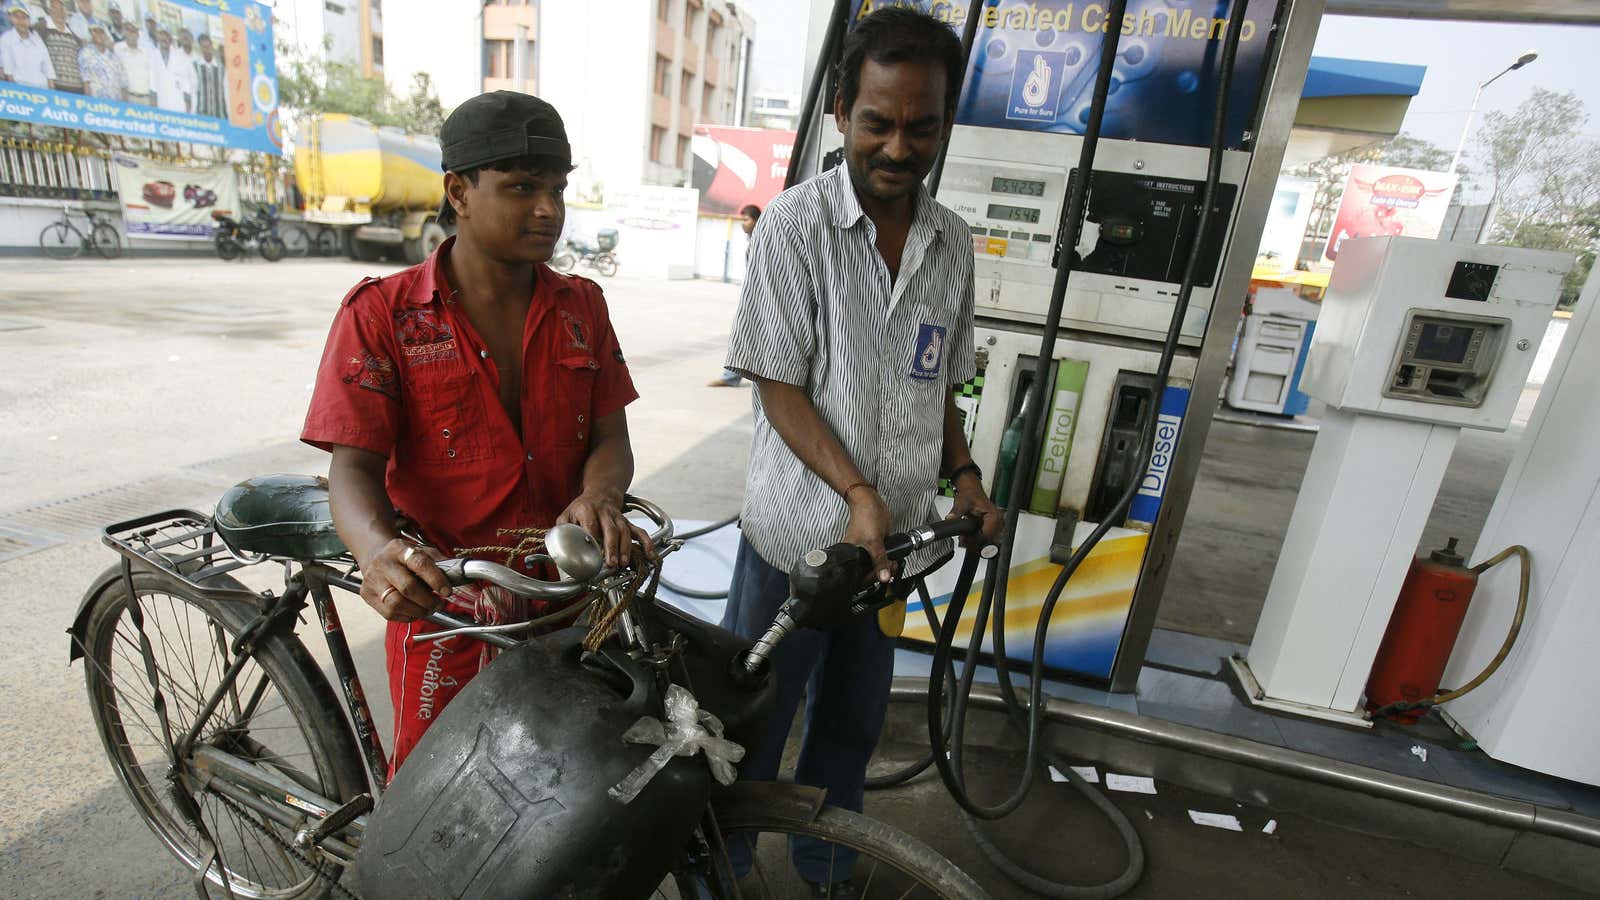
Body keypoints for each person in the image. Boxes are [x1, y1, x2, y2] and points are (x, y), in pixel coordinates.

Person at [719, 7, 1003, 895]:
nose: (897, 145)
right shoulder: (795, 228)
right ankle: (715, 866)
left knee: (851, 720)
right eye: (878, 121)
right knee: (749, 725)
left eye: (921, 126)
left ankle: (829, 864)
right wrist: (857, 492)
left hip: (893, 557)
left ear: (943, 125)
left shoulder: (951, 243)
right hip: (796, 550)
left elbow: (940, 383)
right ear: (841, 110)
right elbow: (776, 381)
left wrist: (965, 478)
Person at [302, 91, 649, 775]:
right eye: (522, 188)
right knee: (441, 804)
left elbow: (612, 438)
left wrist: (600, 496)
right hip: (447, 611)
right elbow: (353, 471)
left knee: (569, 784)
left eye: (556, 188)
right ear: (458, 192)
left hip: (566, 599)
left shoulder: (582, 306)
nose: (548, 208)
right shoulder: (385, 316)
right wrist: (378, 553)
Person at [706, 203, 763, 388]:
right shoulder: (754, 240)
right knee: (745, 335)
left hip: (761, 299)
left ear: (756, 220)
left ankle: (732, 377)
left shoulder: (762, 241)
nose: (743, 224)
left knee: (744, 334)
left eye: (746, 220)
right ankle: (732, 377)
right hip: (755, 297)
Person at [0, 2, 55, 88]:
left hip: (42, 89)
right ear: (11, 18)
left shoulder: (37, 39)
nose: (20, 21)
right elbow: (8, 72)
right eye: (16, 17)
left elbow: (48, 67)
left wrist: (52, 93)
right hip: (20, 88)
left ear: (29, 20)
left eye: (24, 17)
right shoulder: (6, 38)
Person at [40, 0, 84, 93]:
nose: (59, 13)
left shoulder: (73, 35)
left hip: (77, 88)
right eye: (55, 9)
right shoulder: (42, 28)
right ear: (50, 11)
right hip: (56, 87)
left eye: (62, 10)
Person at [77, 18, 124, 99]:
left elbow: (123, 84)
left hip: (116, 105)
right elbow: (86, 82)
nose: (99, 34)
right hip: (97, 105)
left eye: (101, 31)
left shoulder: (114, 57)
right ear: (90, 33)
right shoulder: (85, 53)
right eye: (95, 31)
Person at [147, 26, 185, 111]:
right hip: (160, 104)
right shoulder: (152, 56)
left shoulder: (180, 56)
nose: (163, 38)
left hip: (178, 105)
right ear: (157, 36)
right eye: (161, 34)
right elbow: (152, 84)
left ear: (170, 38)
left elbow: (185, 85)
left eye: (166, 35)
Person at [113, 18, 149, 103]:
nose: (131, 33)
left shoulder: (146, 52)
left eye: (134, 30)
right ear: (124, 32)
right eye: (128, 30)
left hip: (147, 98)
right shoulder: (118, 48)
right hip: (128, 98)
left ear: (138, 34)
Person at [192, 31, 223, 118]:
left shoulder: (221, 67)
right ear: (200, 48)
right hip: (202, 116)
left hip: (220, 115)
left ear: (211, 46)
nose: (206, 49)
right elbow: (193, 89)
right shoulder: (195, 66)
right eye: (203, 47)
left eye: (208, 46)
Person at [171, 27, 195, 110]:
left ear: (192, 38)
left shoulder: (198, 57)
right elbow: (173, 77)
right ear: (179, 39)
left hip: (195, 97)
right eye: (182, 36)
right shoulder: (174, 55)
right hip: (180, 98)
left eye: (187, 35)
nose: (185, 38)